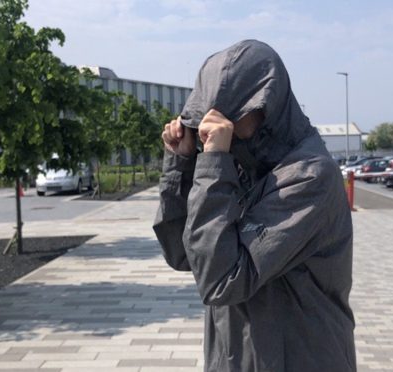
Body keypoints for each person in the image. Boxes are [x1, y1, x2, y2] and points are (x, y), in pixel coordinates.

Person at [153, 39, 356, 372]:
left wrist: (214, 161)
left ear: (266, 107)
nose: (214, 124)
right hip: (236, 357)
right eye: (206, 116)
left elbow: (222, 279)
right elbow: (183, 254)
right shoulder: (244, 163)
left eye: (228, 114)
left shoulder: (309, 175)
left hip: (302, 358)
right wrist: (182, 163)